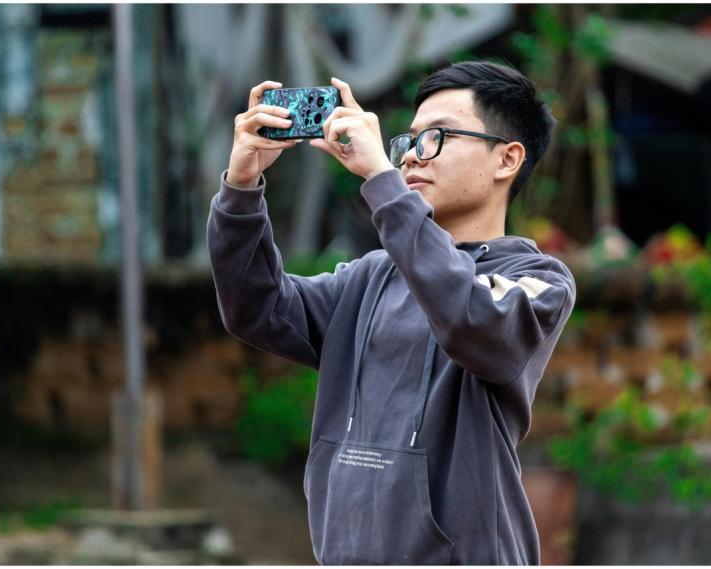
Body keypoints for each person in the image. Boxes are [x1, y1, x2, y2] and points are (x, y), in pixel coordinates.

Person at [207, 60, 576, 565]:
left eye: (438, 137)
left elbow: (471, 319)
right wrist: (242, 183)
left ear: (507, 160)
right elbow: (255, 307)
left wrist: (382, 180)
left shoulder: (537, 281)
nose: (411, 158)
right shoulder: (369, 277)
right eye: (409, 141)